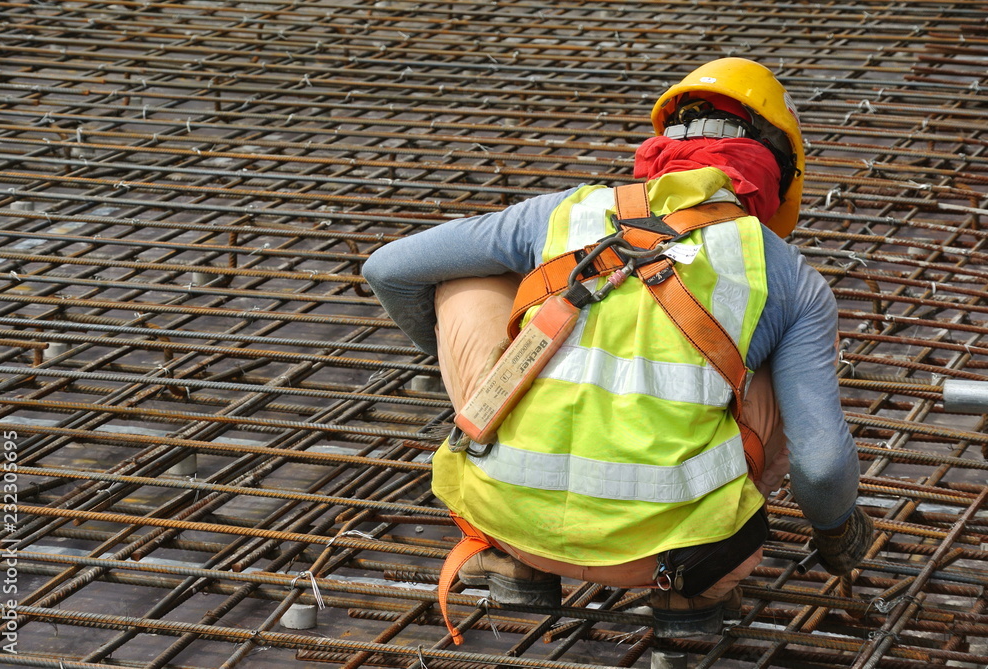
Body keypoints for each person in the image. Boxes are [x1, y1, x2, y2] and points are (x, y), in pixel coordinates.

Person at [362, 58, 874, 641]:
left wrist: (468, 366)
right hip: (682, 558)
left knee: (465, 281)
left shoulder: (561, 213)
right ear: (779, 173)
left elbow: (389, 269)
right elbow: (822, 462)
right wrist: (836, 531)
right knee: (775, 369)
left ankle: (517, 562)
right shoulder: (787, 273)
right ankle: (689, 607)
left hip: (504, 517)